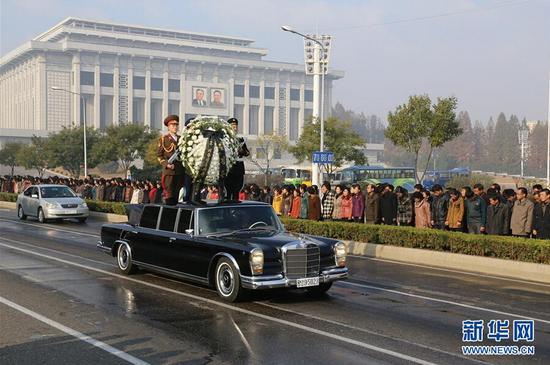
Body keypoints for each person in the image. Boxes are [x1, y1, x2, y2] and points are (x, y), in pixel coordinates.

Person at [156, 114, 185, 205]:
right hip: (169, 171)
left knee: (177, 192)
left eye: (176, 125)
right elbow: (159, 156)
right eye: (173, 125)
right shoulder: (164, 139)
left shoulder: (182, 139)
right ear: (168, 127)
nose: (175, 127)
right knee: (169, 193)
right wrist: (166, 164)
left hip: (179, 170)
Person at [225, 118, 249, 201]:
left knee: (237, 188)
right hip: (230, 166)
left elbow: (247, 153)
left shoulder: (240, 139)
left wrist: (241, 151)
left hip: (239, 166)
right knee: (228, 189)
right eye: (233, 126)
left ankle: (235, 201)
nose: (235, 128)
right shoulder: (225, 139)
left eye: (236, 126)